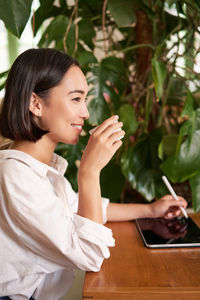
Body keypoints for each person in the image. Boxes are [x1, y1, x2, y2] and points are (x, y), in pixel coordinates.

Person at [0, 48, 187, 300]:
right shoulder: (16, 176)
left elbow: (83, 209)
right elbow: (90, 256)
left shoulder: (37, 168)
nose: (86, 113)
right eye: (76, 99)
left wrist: (150, 210)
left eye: (85, 99)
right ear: (36, 104)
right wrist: (90, 171)